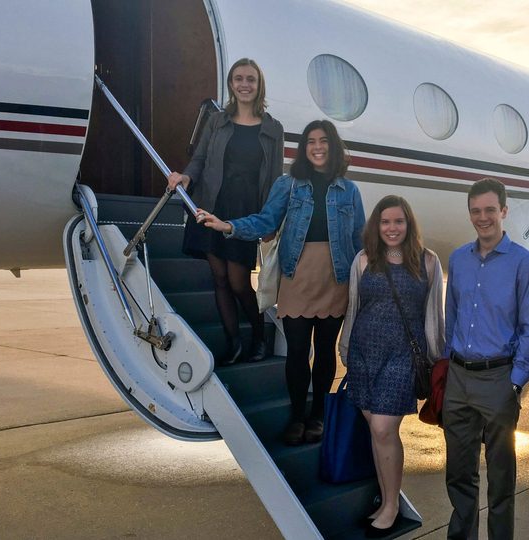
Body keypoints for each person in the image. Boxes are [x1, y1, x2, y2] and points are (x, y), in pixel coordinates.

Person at [198, 119, 365, 445]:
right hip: (297, 274)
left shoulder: (350, 190)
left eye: (323, 141)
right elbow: (266, 220)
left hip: (335, 276)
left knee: (326, 352)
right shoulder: (288, 185)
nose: (317, 147)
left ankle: (318, 414)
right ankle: (297, 416)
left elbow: (360, 239)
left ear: (333, 146)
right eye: (311, 141)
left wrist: (369, 281)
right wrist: (227, 226)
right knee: (298, 351)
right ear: (304, 148)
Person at [443, 178, 529, 540]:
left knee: (501, 477)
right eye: (475, 211)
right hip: (458, 379)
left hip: (498, 379)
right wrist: (446, 364)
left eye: (489, 210)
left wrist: (514, 381)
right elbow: (450, 316)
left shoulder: (525, 264)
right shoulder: (458, 259)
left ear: (504, 211)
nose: (482, 218)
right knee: (458, 472)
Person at [338, 195, 445, 537]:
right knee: (377, 430)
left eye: (398, 221)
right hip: (365, 353)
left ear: (408, 224)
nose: (392, 228)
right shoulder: (364, 259)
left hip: (403, 356)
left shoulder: (428, 262)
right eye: (385, 222)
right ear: (377, 226)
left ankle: (391, 505)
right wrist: (345, 348)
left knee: (384, 429)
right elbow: (354, 307)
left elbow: (435, 314)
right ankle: (386, 497)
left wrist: (437, 357)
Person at [166, 58, 284, 365]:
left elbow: (273, 178)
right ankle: (234, 344)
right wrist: (187, 177)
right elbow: (201, 158)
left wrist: (271, 219)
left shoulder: (273, 129)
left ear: (259, 86)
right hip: (212, 203)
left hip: (245, 211)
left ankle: (258, 335)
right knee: (219, 277)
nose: (244, 84)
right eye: (238, 79)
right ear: (231, 84)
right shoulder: (217, 121)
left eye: (251, 79)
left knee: (238, 281)